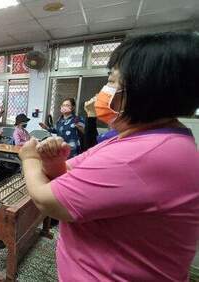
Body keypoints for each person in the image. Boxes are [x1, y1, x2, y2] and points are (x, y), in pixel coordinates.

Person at [19, 32, 199, 281]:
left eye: (112, 81)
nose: (103, 92)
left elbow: (47, 201)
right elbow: (72, 174)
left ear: (145, 89)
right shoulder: (137, 139)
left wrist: (29, 159)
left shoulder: (143, 155)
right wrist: (54, 162)